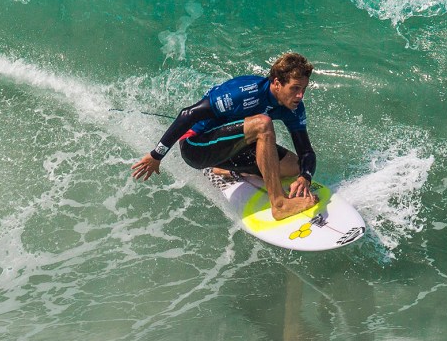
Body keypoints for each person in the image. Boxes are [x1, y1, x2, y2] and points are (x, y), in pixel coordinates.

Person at [132, 52, 318, 221]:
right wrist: (156, 155)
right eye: (295, 88)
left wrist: (305, 177)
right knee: (263, 124)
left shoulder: (293, 107)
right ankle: (279, 204)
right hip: (197, 146)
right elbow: (187, 115)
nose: (300, 95)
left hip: (231, 148)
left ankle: (223, 169)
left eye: (304, 89)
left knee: (294, 166)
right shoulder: (244, 93)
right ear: (277, 83)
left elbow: (306, 153)